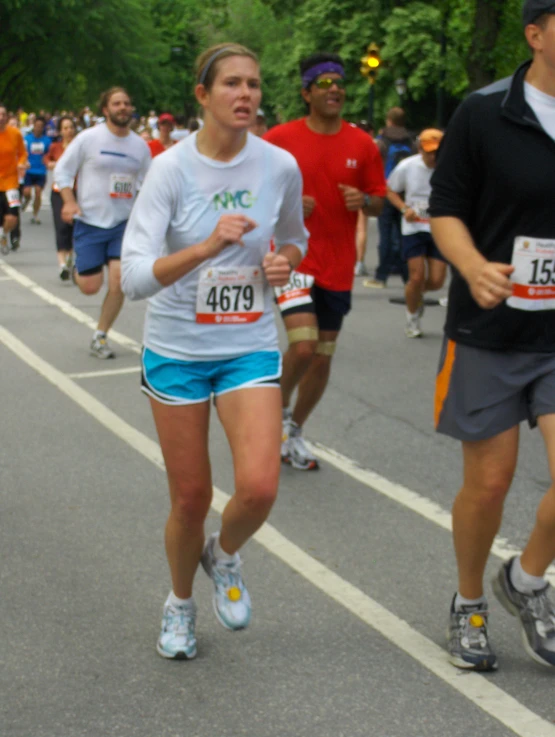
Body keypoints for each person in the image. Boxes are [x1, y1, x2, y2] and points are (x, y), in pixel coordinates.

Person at [121, 42, 307, 660]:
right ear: (202, 96)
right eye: (231, 84)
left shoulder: (278, 165)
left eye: (253, 84)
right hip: (176, 348)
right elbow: (135, 278)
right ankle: (179, 603)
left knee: (258, 488)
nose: (246, 95)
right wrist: (204, 247)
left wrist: (285, 264)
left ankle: (223, 557)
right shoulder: (170, 170)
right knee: (191, 498)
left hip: (247, 342)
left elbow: (296, 240)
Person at [430, 0, 555, 672]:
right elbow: (444, 207)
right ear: (534, 35)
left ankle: (526, 579)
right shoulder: (483, 112)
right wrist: (474, 265)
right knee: (489, 481)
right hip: (489, 326)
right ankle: (469, 600)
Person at [264, 52, 386, 470]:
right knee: (303, 345)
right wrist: (288, 204)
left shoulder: (362, 144)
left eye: (339, 82)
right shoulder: (279, 139)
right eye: (324, 82)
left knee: (322, 355)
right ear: (306, 92)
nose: (335, 88)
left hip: (338, 265)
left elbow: (379, 203)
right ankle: (271, 420)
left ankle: (293, 430)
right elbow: (253, 189)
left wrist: (365, 200)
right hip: (294, 259)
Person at [55, 87, 151, 358]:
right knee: (90, 287)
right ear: (106, 109)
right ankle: (76, 267)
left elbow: (149, 183)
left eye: (127, 103)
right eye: (117, 103)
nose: (123, 107)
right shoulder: (89, 139)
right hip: (90, 220)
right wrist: (69, 200)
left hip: (123, 222)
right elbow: (63, 170)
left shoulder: (139, 146)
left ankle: (101, 335)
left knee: (119, 281)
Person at [387, 128, 447, 337]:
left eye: (437, 152)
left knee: (437, 280)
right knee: (416, 276)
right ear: (420, 149)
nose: (433, 156)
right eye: (429, 151)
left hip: (440, 228)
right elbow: (390, 189)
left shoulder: (450, 167)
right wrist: (405, 209)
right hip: (413, 228)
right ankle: (412, 319)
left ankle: (416, 298)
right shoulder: (408, 166)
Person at [363, 107, 414, 289]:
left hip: (385, 191)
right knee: (403, 235)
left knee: (385, 235)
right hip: (406, 194)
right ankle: (408, 276)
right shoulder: (411, 141)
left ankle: (381, 276)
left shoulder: (382, 142)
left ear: (389, 120)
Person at [43, 115, 77, 280]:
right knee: (61, 226)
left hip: (76, 190)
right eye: (65, 128)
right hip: (58, 191)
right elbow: (47, 159)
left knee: (74, 227)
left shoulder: (79, 147)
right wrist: (49, 164)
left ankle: (71, 257)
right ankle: (62, 263)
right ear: (60, 131)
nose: (68, 130)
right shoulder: (55, 147)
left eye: (71, 127)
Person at [0, 102, 27, 254]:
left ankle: (4, 234)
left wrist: (21, 163)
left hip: (11, 182)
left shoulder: (15, 133)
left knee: (12, 217)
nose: (1, 118)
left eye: (4, 114)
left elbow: (22, 153)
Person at [22, 116, 51, 224]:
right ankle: (26, 200)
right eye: (37, 126)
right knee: (26, 192)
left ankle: (35, 215)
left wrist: (47, 161)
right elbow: (22, 153)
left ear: (43, 128)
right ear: (33, 126)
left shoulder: (47, 141)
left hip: (41, 171)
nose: (38, 128)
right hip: (29, 170)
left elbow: (49, 154)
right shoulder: (27, 139)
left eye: (41, 126)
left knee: (38, 193)